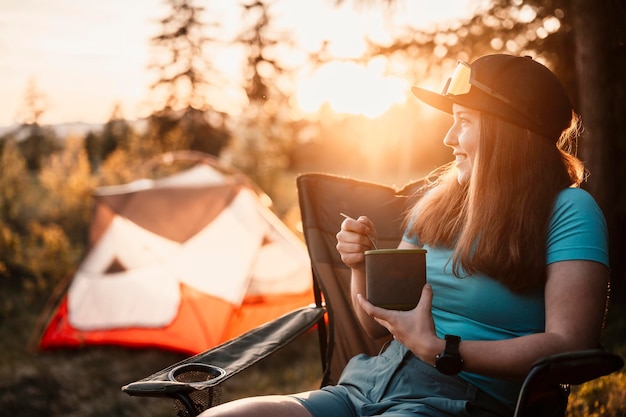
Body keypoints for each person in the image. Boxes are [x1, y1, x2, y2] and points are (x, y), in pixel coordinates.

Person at [200, 54, 610, 417]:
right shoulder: (439, 204)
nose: (449, 139)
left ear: (508, 134)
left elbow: (569, 344)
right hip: (365, 386)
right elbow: (377, 326)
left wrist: (443, 352)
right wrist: (361, 267)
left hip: (462, 400)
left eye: (464, 122)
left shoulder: (568, 211)